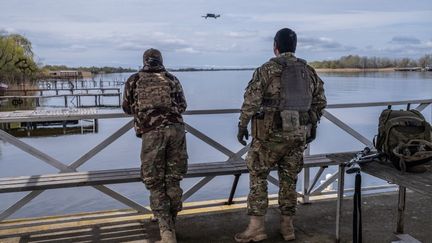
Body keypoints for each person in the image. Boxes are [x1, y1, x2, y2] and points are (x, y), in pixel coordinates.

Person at [235, 28, 327, 242]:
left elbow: (251, 102)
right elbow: (320, 102)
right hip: (297, 137)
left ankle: (256, 228)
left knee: (258, 177)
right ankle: (288, 228)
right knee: (289, 181)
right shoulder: (309, 71)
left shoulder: (266, 70)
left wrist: (242, 126)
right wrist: (310, 123)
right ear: (294, 47)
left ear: (275, 46)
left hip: (269, 138)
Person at [122, 48, 188, 243]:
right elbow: (182, 105)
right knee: (174, 179)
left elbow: (126, 107)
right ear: (161, 60)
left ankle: (167, 232)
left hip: (152, 133)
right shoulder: (171, 78)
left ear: (144, 61)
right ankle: (172, 222)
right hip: (176, 130)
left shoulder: (134, 79)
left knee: (155, 182)